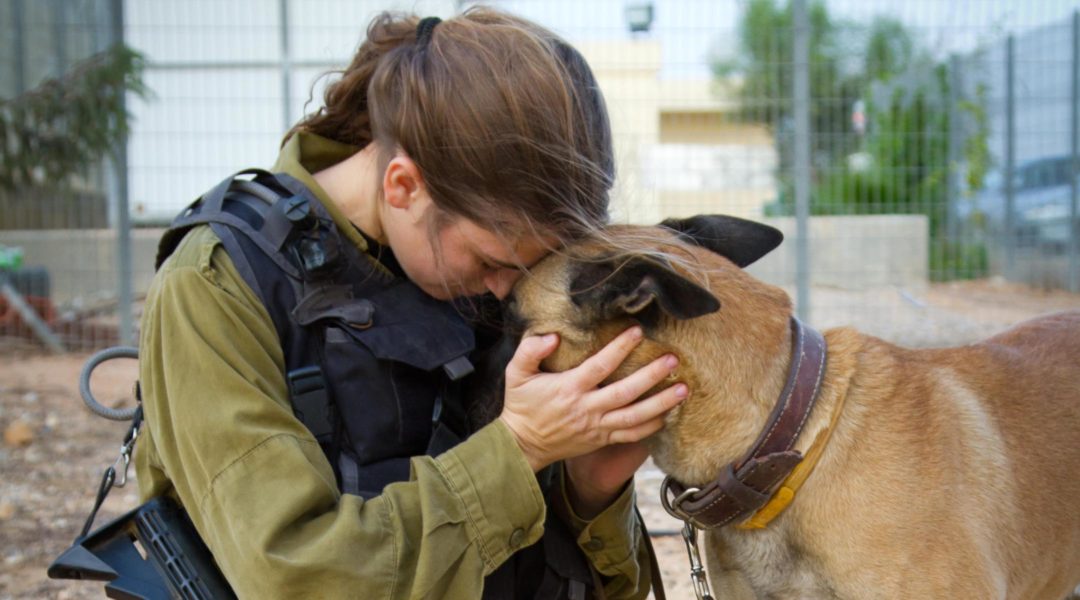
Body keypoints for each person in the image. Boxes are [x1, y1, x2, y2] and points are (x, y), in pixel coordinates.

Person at [134, 7, 687, 599]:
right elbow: (294, 576)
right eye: (491, 261)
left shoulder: (489, 266)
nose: (506, 292)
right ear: (404, 186)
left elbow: (595, 581)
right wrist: (520, 447)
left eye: (526, 269)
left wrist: (589, 490)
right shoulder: (216, 289)